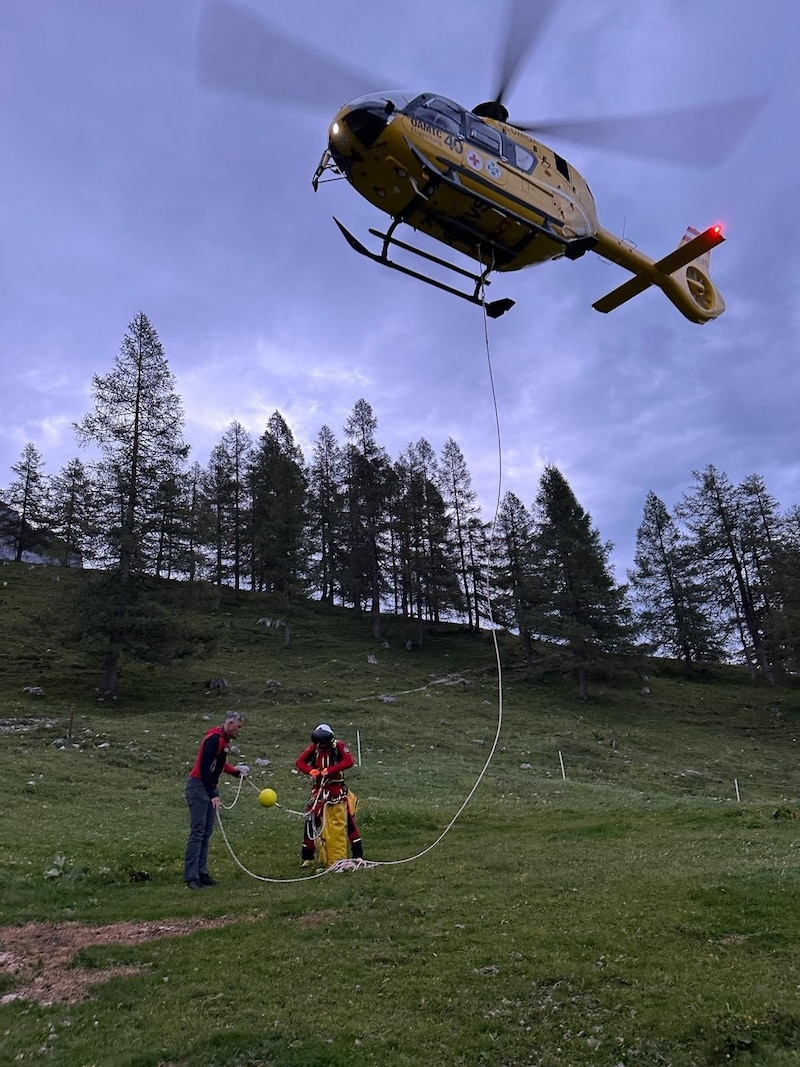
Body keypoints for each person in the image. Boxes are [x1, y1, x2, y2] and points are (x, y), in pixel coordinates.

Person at [183, 710, 249, 889]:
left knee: (206, 832)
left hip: (207, 787)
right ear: (229, 724)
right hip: (198, 787)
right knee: (197, 832)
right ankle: (191, 877)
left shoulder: (223, 741)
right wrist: (213, 794)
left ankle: (202, 873)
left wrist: (236, 772)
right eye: (238, 727)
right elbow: (204, 768)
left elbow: (218, 764)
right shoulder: (214, 739)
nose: (238, 731)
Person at [295, 723, 363, 868]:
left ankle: (358, 854)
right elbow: (300, 762)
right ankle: (307, 857)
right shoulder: (314, 748)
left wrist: (329, 770)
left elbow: (349, 761)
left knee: (347, 821)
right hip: (319, 790)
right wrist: (311, 771)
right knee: (311, 820)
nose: (321, 745)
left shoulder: (338, 746)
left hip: (336, 790)